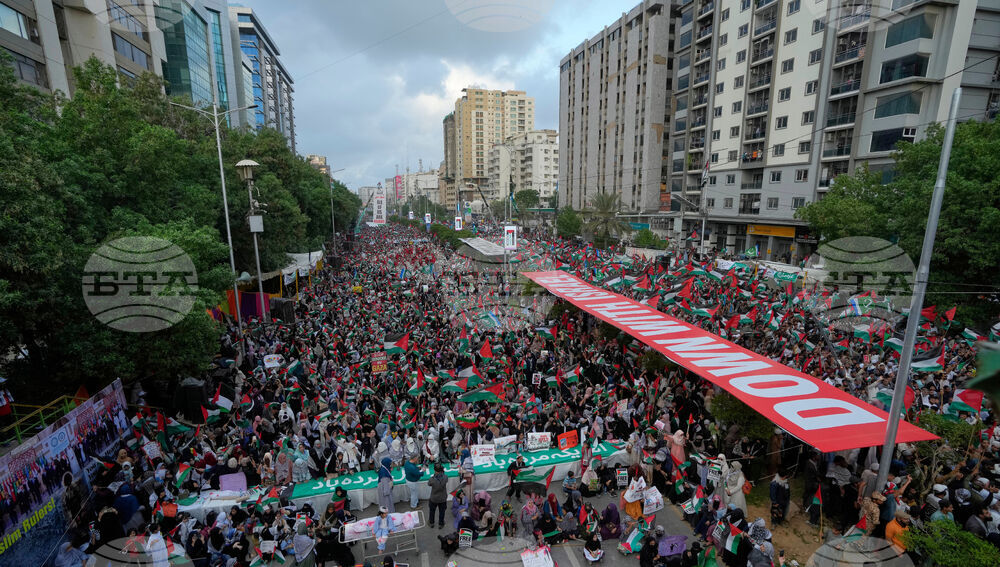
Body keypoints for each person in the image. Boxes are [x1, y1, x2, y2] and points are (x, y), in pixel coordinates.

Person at [427, 463, 448, 529]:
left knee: (432, 511)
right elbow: (445, 478)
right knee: (442, 511)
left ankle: (431, 523)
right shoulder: (445, 477)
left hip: (434, 498)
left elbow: (429, 484)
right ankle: (441, 524)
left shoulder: (432, 479)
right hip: (443, 498)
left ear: (435, 470)